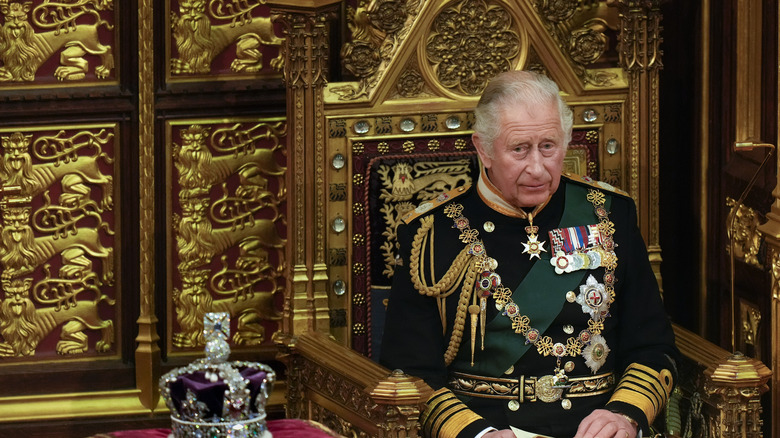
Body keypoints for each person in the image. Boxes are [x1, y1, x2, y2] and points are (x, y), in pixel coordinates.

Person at [379, 70, 679, 438]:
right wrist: (478, 434)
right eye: (519, 149)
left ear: (566, 143)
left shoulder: (609, 213)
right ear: (483, 149)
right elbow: (409, 371)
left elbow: (652, 344)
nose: (537, 168)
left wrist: (624, 414)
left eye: (549, 147)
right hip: (488, 427)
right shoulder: (431, 233)